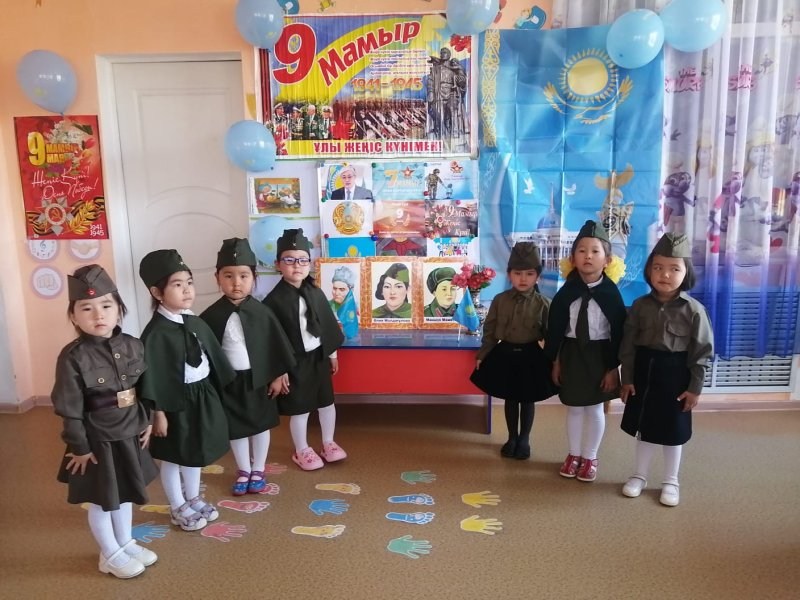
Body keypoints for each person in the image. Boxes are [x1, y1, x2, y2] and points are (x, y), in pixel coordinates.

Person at [52, 264, 158, 579]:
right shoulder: (73, 357)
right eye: (87, 308)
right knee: (101, 500)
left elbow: (145, 389)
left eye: (106, 305)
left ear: (119, 310)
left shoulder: (134, 345)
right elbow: (69, 407)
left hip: (130, 432)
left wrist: (147, 420)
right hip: (97, 440)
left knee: (124, 494)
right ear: (74, 317)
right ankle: (109, 553)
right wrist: (79, 447)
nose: (98, 314)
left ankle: (124, 543)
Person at [137, 249, 234, 531]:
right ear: (157, 292)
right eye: (177, 285)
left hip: (200, 395)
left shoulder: (193, 321)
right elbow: (153, 377)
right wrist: (159, 414)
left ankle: (193, 497)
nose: (187, 290)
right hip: (174, 402)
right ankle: (177, 505)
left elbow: (211, 356)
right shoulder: (156, 333)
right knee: (174, 455)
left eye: (189, 282)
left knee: (194, 451)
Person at [619, 233, 714, 507]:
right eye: (658, 267)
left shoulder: (694, 310)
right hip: (644, 373)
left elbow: (702, 353)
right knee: (644, 427)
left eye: (674, 268)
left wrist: (695, 388)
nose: (665, 274)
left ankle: (671, 481)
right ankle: (639, 475)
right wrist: (627, 378)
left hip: (676, 376)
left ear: (686, 273)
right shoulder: (639, 306)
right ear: (649, 270)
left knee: (673, 431)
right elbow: (628, 346)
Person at [200, 238, 296, 496]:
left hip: (259, 379)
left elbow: (276, 345)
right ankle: (243, 469)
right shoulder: (209, 316)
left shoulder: (263, 312)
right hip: (229, 382)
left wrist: (278, 374)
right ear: (217, 278)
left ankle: (259, 468)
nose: (236, 282)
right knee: (236, 427)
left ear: (254, 278)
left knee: (260, 425)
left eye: (244, 276)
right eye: (228, 276)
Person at [545, 220, 627, 482]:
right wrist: (556, 361)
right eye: (581, 251)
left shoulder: (611, 294)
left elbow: (618, 333)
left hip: (600, 356)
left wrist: (613, 368)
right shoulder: (565, 293)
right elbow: (556, 330)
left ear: (607, 260)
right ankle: (573, 454)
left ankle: (590, 457)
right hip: (571, 354)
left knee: (594, 408)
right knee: (574, 408)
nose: (588, 256)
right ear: (573, 259)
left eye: (595, 251)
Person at [263, 229, 347, 471]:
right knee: (301, 408)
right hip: (294, 362)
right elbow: (271, 340)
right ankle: (301, 449)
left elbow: (326, 325)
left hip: (318, 356)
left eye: (302, 260)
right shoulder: (273, 301)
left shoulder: (315, 291)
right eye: (289, 260)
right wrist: (279, 370)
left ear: (309, 263)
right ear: (278, 264)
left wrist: (332, 354)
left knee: (326, 403)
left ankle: (328, 442)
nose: (297, 265)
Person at [470, 243, 557, 459]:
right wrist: (483, 354)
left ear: (538, 276)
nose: (523, 279)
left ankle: (524, 439)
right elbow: (490, 331)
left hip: (531, 357)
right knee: (510, 397)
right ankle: (512, 438)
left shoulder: (544, 304)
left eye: (529, 274)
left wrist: (556, 362)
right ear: (509, 275)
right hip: (506, 354)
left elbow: (552, 337)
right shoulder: (500, 301)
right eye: (517, 273)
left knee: (527, 399)